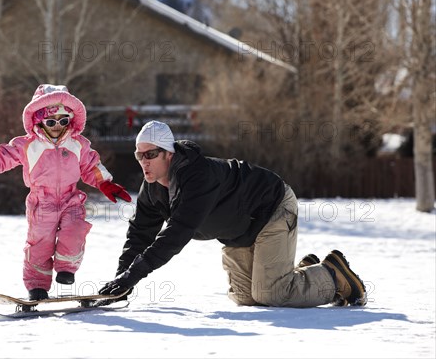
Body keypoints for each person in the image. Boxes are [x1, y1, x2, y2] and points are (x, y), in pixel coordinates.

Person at [98, 120, 366, 308]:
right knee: (245, 298)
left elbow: (177, 232)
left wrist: (134, 275)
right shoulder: (152, 190)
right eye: (139, 155)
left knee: (270, 294)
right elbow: (139, 234)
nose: (144, 161)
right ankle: (300, 275)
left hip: (271, 208)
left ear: (168, 154)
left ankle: (333, 275)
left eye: (151, 154)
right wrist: (122, 279)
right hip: (239, 232)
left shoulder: (197, 176)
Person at [0, 84, 131, 301]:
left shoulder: (78, 144)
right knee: (40, 244)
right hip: (41, 202)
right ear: (39, 120)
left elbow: (92, 166)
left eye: (64, 121)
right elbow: (2, 156)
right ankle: (37, 286)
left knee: (75, 231)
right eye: (51, 121)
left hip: (70, 199)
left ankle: (66, 269)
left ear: (71, 120)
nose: (58, 126)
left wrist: (106, 184)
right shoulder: (28, 145)